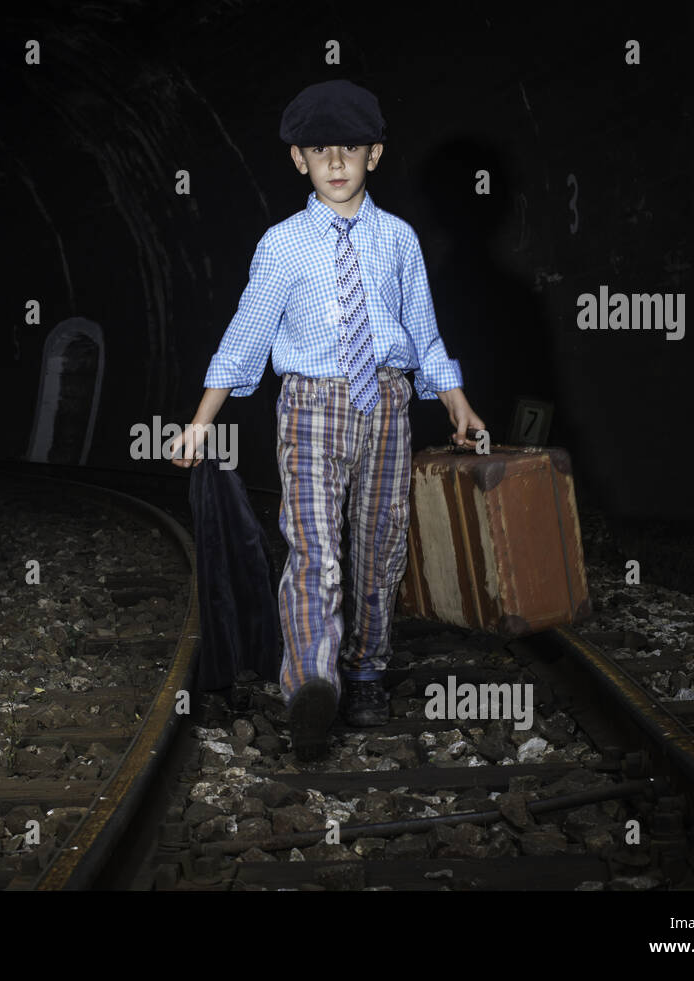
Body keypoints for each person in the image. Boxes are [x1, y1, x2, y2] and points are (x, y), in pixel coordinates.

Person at [170, 79, 484, 761]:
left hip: (389, 401)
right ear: (298, 161)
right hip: (311, 405)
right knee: (314, 546)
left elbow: (424, 333)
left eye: (350, 148)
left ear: (374, 154)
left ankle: (367, 669)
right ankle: (311, 679)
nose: (335, 161)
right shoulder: (282, 246)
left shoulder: (399, 241)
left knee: (380, 543)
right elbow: (245, 335)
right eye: (320, 150)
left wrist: (454, 397)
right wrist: (200, 422)